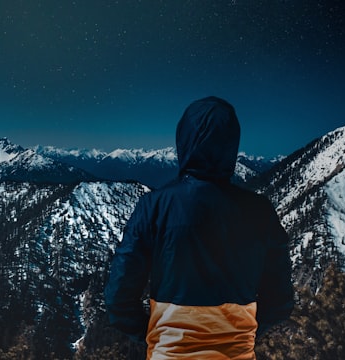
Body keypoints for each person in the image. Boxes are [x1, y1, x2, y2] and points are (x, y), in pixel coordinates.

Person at [104, 96, 294, 359]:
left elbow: (118, 300)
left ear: (183, 140)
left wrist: (156, 336)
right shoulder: (260, 211)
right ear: (232, 144)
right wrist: (243, 335)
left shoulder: (154, 207)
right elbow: (280, 301)